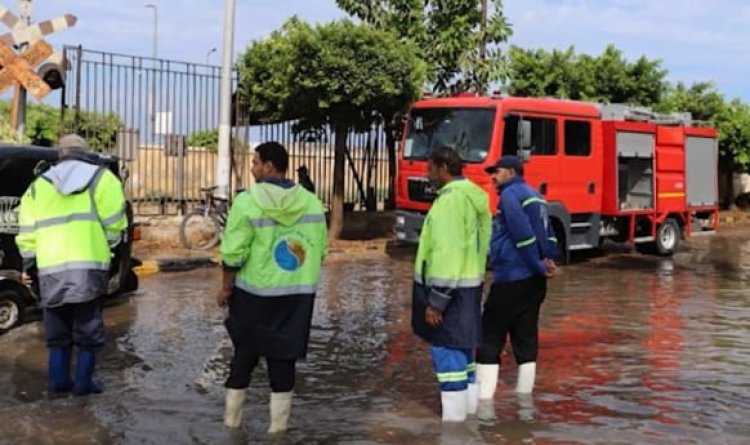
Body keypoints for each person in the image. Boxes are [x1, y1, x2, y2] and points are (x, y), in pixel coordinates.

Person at [217, 141, 328, 433]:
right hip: (297, 298)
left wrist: (226, 288)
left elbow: (232, 254)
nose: (252, 168)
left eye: (254, 163)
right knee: (283, 363)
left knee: (243, 359)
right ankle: (277, 432)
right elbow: (321, 250)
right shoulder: (311, 201)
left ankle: (231, 427)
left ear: (268, 166)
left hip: (253, 296)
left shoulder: (247, 201)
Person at [15, 134, 127, 396]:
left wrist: (28, 265)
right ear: (85, 152)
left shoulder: (37, 186)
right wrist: (108, 249)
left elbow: (27, 232)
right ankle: (83, 384)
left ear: (60, 154)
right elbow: (116, 226)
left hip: (51, 268)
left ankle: (57, 384)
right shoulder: (103, 179)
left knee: (57, 332)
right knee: (89, 329)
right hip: (89, 268)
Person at [411, 147, 492, 422]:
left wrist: (437, 300)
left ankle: (453, 431)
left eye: (430, 168)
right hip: (469, 287)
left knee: (448, 359)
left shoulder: (449, 202)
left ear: (444, 167)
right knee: (464, 355)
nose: (427, 173)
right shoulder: (471, 197)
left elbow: (447, 251)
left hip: (450, 292)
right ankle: (470, 425)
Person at [476, 155, 557, 401]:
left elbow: (522, 236)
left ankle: (483, 405)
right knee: (526, 337)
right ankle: (524, 402)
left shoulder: (510, 196)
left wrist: (535, 264)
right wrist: (547, 260)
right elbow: (549, 233)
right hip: (534, 283)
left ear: (511, 172)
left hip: (512, 278)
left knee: (489, 337)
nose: (492, 176)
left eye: (496, 172)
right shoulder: (536, 196)